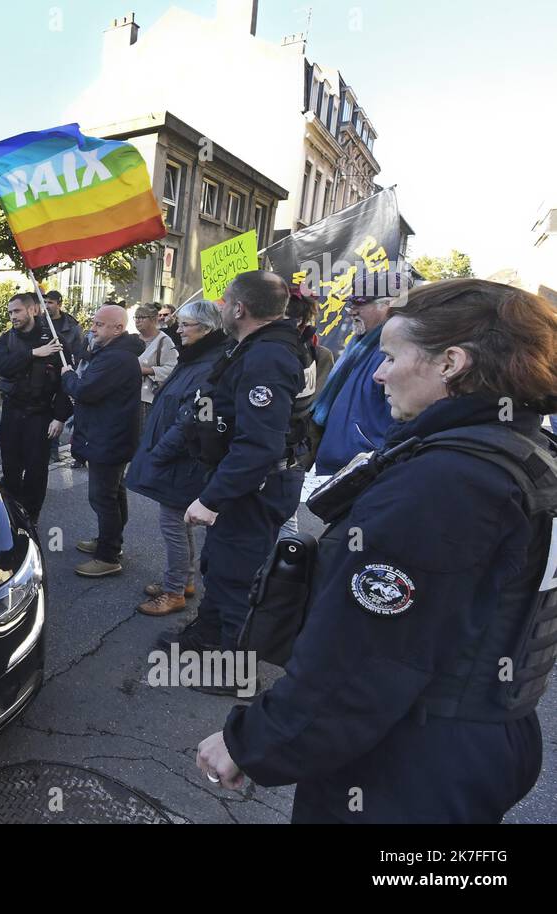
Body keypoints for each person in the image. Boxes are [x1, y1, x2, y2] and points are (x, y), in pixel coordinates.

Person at [199, 279, 557, 823]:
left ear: (451, 363)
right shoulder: (520, 450)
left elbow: (366, 656)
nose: (379, 373)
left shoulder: (447, 482)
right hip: (476, 736)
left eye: (391, 356)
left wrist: (254, 742)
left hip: (411, 758)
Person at [166, 271, 308, 659]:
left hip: (255, 485)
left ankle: (234, 668)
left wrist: (212, 499)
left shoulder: (267, 356)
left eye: (225, 301)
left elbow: (260, 444)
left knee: (236, 576)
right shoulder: (252, 346)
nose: (220, 306)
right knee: (220, 564)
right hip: (243, 481)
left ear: (240, 308)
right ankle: (209, 636)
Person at [126, 299, 227, 615]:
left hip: (182, 461)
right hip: (178, 458)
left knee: (173, 525)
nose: (177, 329)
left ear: (207, 328)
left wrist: (159, 454)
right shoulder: (196, 358)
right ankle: (183, 581)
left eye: (185, 325)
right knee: (179, 523)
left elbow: (190, 421)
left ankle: (174, 592)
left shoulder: (208, 365)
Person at [59, 304, 141, 578]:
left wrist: (67, 375)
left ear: (118, 328)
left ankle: (107, 555)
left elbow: (84, 390)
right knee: (113, 493)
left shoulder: (115, 358)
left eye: (99, 324)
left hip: (108, 438)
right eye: (93, 323)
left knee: (103, 497)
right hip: (110, 435)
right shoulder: (113, 354)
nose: (92, 328)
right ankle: (110, 542)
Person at [0, 293, 73, 526]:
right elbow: (2, 367)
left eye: (17, 311)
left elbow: (65, 383)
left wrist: (59, 417)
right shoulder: (6, 340)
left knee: (37, 471)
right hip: (13, 412)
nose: (12, 317)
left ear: (33, 310)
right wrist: (32, 354)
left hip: (40, 415)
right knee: (10, 467)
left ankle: (30, 517)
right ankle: (12, 514)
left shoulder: (56, 342)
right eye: (10, 313)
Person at [311, 293, 396, 476]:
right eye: (350, 304)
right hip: (338, 465)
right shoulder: (358, 344)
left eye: (359, 305)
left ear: (387, 305)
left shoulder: (390, 351)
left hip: (363, 470)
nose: (351, 311)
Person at [279, 285, 335, 536]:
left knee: (285, 515)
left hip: (292, 445)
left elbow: (312, 403)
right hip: (278, 445)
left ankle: (282, 568)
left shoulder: (317, 355)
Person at [43, 290, 87, 464]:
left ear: (59, 304)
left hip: (63, 372)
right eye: (45, 302)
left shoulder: (72, 326)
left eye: (51, 303)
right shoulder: (40, 322)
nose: (47, 306)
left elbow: (78, 351)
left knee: (58, 411)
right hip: (44, 373)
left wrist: (71, 371)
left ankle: (53, 449)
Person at [133, 302, 179, 431]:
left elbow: (173, 368)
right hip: (130, 395)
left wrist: (147, 370)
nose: (138, 321)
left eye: (142, 317)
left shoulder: (164, 341)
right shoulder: (134, 339)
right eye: (136, 317)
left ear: (153, 320)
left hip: (149, 398)